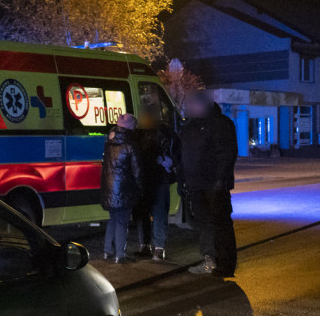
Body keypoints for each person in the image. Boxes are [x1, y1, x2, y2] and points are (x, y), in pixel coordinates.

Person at [180, 89, 238, 276]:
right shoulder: (190, 126)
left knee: (220, 223)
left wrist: (220, 180)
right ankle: (209, 260)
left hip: (214, 185)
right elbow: (184, 155)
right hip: (196, 184)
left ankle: (225, 264)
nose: (190, 109)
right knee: (205, 223)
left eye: (193, 105)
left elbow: (227, 154)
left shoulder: (221, 124)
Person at [137, 111, 180, 260]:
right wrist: (171, 162)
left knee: (145, 213)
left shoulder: (139, 133)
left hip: (146, 178)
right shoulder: (168, 133)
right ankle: (158, 248)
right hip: (159, 178)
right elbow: (178, 153)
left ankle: (147, 246)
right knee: (158, 213)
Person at [101, 113, 144, 264]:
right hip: (124, 189)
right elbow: (137, 171)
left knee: (113, 219)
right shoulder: (131, 144)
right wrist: (141, 188)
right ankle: (120, 254)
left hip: (109, 188)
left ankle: (107, 251)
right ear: (131, 127)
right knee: (122, 222)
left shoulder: (109, 141)